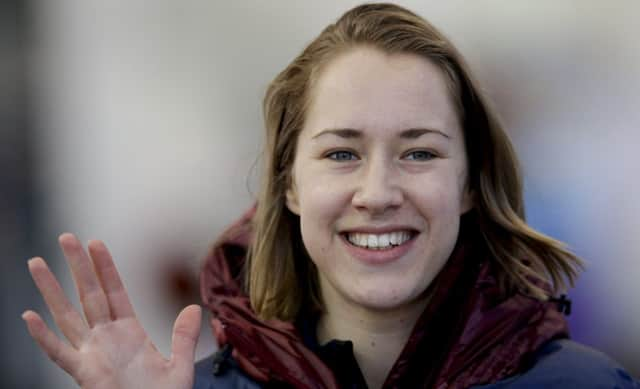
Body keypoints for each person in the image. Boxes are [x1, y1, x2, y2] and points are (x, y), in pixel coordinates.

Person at [23, 3, 639, 388]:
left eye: (419, 152)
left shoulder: (582, 383)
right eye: (341, 153)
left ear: (471, 184)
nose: (377, 193)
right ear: (288, 185)